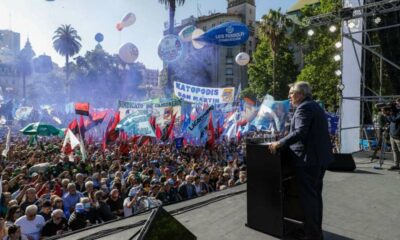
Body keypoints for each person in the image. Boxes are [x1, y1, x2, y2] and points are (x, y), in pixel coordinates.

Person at [269, 81, 333, 240]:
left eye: (291, 93)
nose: (289, 96)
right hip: (318, 159)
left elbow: (300, 132)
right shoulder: (315, 106)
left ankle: (312, 235)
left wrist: (280, 143)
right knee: (315, 197)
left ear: (300, 94)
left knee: (309, 199)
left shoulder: (304, 107)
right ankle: (315, 232)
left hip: (308, 160)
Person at [384, 98, 400, 171]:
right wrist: (387, 113)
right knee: (394, 151)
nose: (396, 104)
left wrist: (387, 114)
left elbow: (395, 119)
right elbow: (389, 121)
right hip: (392, 135)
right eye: (396, 103)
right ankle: (396, 165)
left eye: (397, 103)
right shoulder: (395, 111)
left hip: (398, 136)